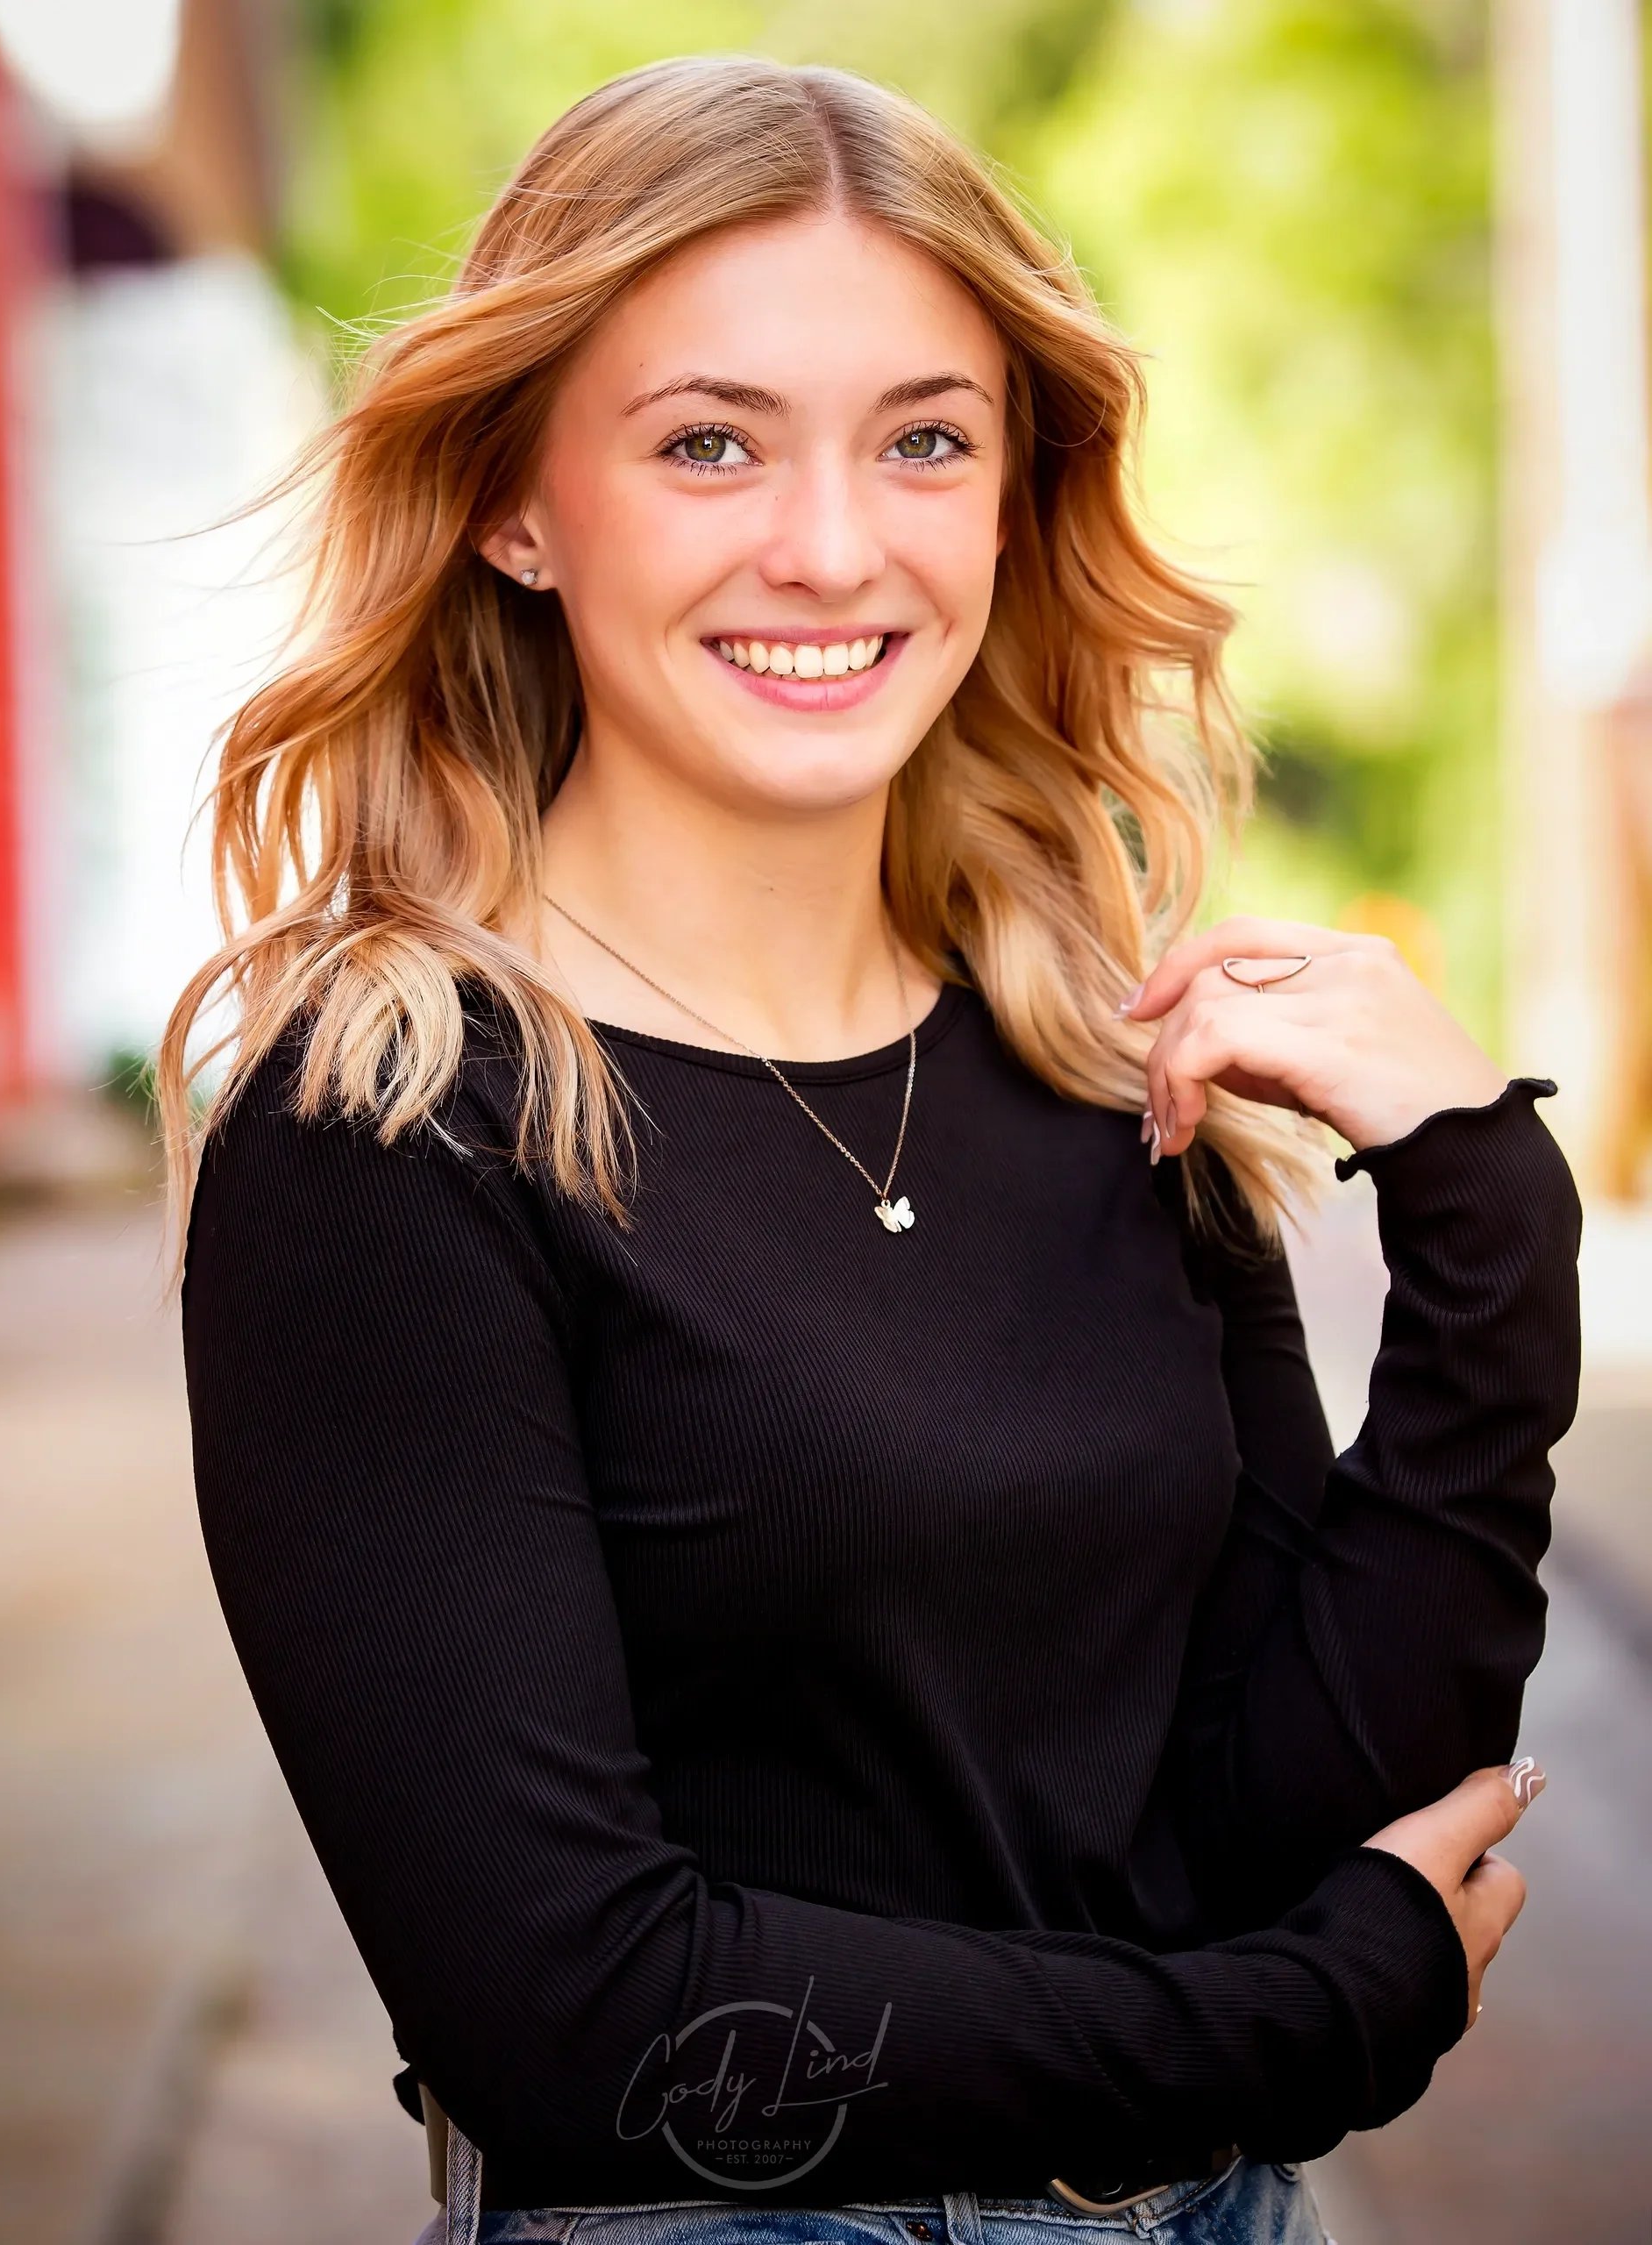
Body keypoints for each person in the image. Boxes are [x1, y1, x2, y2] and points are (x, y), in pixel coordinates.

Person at [160, 55, 1578, 2245]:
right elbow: (585, 2012)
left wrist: (1487, 1203)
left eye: (923, 438)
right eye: (708, 441)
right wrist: (1289, 2027)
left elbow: (1295, 1810)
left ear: (1012, 500)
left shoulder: (1097, 1056)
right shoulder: (389, 1128)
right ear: (514, 502)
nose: (830, 547)